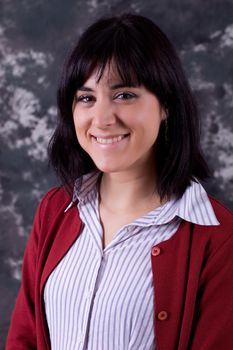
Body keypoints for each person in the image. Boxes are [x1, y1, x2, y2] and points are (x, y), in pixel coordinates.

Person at [6, 13, 233, 350]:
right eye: (86, 98)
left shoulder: (217, 239)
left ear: (165, 105)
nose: (102, 119)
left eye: (124, 94)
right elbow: (22, 338)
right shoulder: (55, 210)